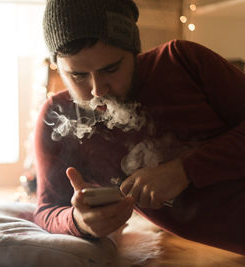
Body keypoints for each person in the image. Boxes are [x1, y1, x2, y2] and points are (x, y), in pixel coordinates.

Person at [33, 0, 245, 256]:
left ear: (134, 51)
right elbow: (47, 211)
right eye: (78, 75)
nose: (97, 90)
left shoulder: (182, 61)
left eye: (111, 68)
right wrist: (78, 222)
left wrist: (185, 170)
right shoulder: (58, 115)